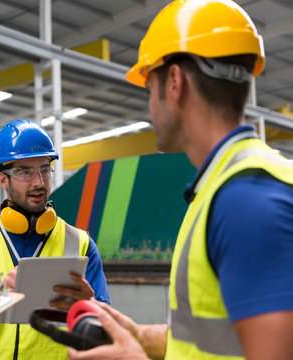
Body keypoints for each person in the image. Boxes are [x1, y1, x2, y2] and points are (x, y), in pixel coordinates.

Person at [67, 1, 293, 360]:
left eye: (148, 87)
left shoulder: (246, 201)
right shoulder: (223, 189)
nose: (149, 109)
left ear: (174, 82)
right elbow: (206, 342)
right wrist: (131, 334)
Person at [0, 119, 110, 359]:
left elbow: (105, 326)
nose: (39, 182)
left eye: (44, 169)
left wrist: (90, 306)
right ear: (3, 179)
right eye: (25, 171)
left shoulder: (81, 243)